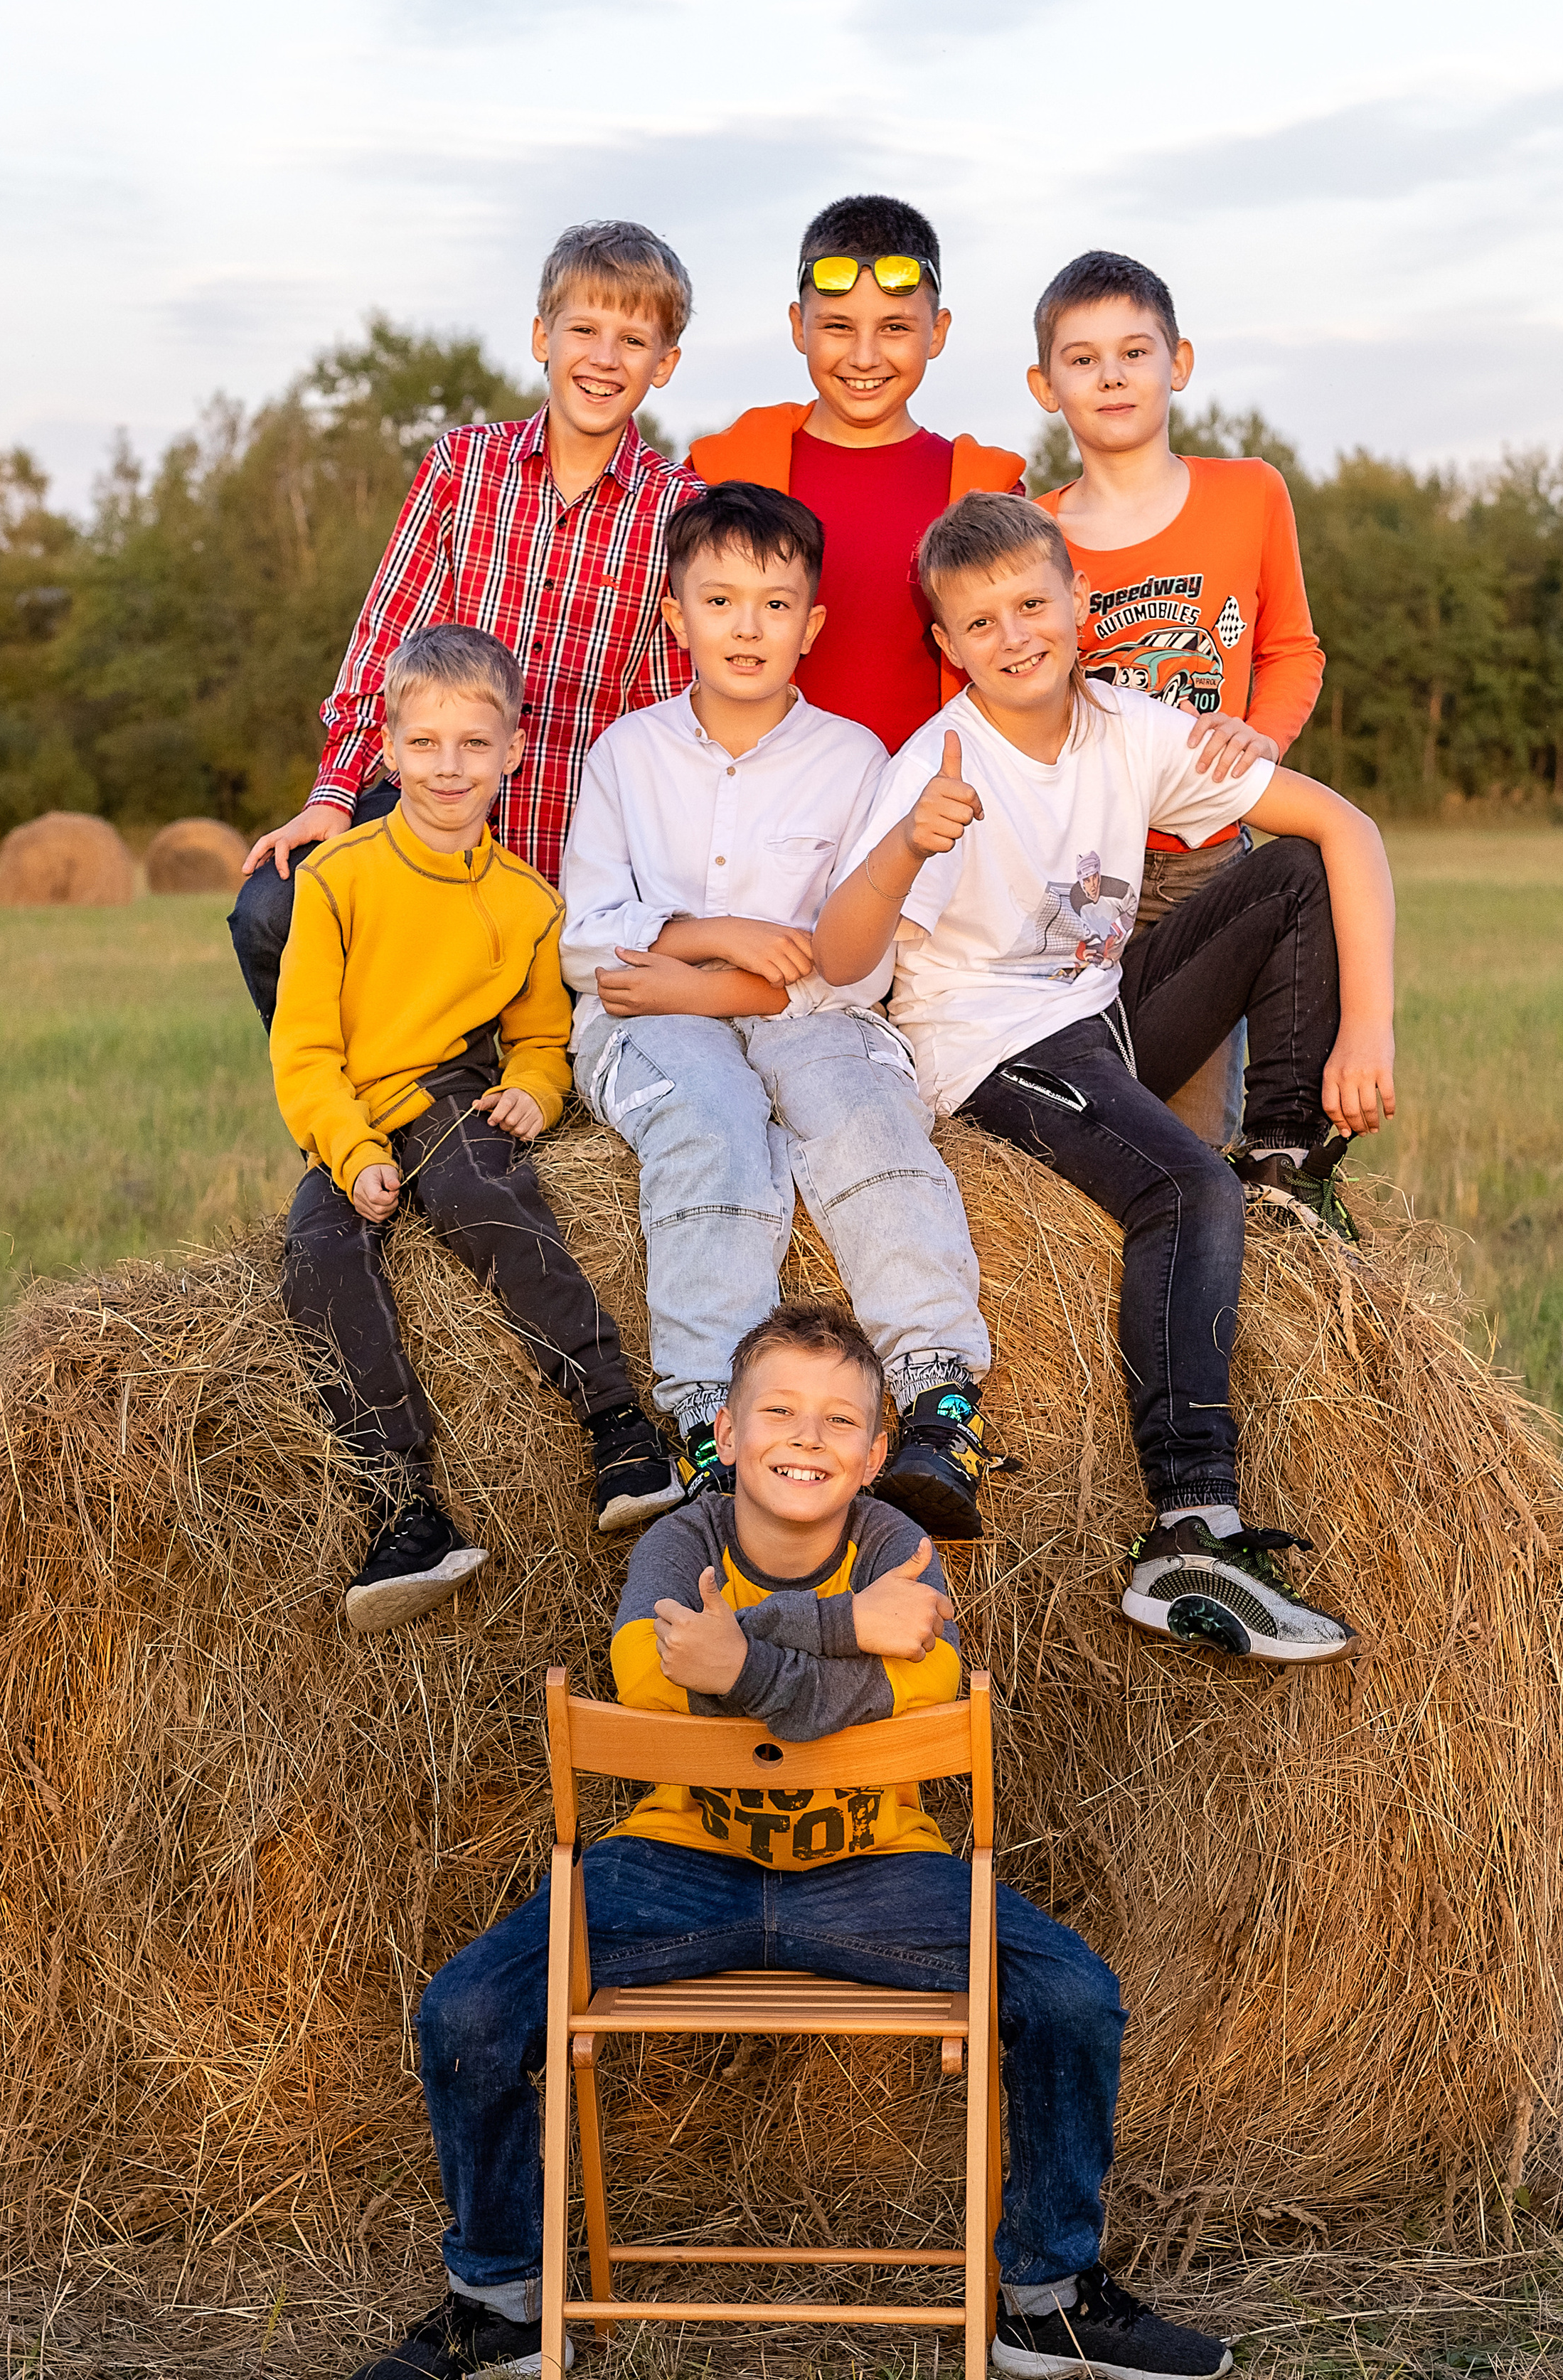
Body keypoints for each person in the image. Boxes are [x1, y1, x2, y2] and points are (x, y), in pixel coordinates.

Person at [335, 1298, 1234, 2380]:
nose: (805, 1437)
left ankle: (1045, 2297)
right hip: (674, 1862)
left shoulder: (899, 1545)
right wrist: (846, 1632)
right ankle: (500, 2304)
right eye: (778, 1410)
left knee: (1072, 1993)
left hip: (878, 1866)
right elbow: (652, 1680)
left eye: (837, 1420)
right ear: (725, 1429)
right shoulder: (682, 1539)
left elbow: (929, 1686)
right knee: (468, 2008)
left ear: (871, 1454)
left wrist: (751, 1660)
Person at [814, 495, 1397, 1667]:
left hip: (1099, 1016)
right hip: (994, 1051)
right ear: (947, 646)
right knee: (1184, 1192)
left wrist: (1366, 1031)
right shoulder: (939, 767)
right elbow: (837, 963)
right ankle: (1189, 1528)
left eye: (1033, 604)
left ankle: (1285, 1161)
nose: (1015, 635)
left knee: (1288, 873)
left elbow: (1351, 833)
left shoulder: (1129, 728)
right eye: (980, 623)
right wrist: (907, 846)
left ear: (1081, 603)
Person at [560, 479, 998, 1537]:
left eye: (772, 604)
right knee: (710, 1126)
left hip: (809, 1014)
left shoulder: (852, 761)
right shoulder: (626, 754)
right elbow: (591, 945)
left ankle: (939, 1394)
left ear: (813, 626)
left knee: (863, 1115)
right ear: (676, 617)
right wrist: (720, 934)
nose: (745, 627)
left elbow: (851, 971)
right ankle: (711, 1416)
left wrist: (716, 983)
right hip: (649, 1023)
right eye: (718, 601)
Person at [272, 622, 678, 1634]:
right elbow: (304, 1053)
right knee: (317, 1253)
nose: (447, 767)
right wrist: (357, 1153)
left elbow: (542, 1037)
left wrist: (538, 1092)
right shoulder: (336, 881)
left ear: (514, 752)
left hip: (454, 1091)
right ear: (389, 751)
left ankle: (618, 1425)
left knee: (477, 1193)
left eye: (471, 745)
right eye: (424, 744)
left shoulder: (527, 903)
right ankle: (402, 1506)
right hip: (354, 1104)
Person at [230, 220, 703, 1030]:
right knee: (273, 909)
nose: (602, 358)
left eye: (632, 340)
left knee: (527, 1042)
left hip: (569, 838)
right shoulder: (464, 467)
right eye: (583, 330)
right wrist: (335, 794)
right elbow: (384, 643)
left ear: (663, 365)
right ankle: (345, 1122)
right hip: (433, 806)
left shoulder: (678, 508)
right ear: (540, 337)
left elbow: (671, 708)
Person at [1028, 251, 1325, 1150]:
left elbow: (1290, 651)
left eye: (1134, 352)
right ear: (1046, 385)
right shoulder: (1029, 531)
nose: (1111, 376)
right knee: (1065, 1150)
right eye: (1081, 359)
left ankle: (1284, 1169)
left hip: (1201, 861)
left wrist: (1262, 740)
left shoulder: (1250, 494)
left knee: (1188, 1141)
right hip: (1074, 871)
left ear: (1179, 363)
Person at [688, 196, 1023, 754]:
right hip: (751, 812)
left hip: (932, 815)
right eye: (838, 326)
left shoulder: (985, 490)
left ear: (937, 332)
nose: (865, 357)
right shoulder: (721, 474)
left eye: (895, 327)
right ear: (799, 326)